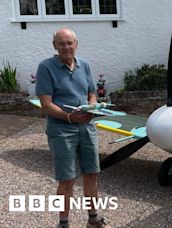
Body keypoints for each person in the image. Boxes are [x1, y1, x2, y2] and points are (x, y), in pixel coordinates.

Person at [35, 28, 111, 228]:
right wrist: (69, 117)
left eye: (70, 43)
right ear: (55, 46)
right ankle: (63, 223)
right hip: (62, 129)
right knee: (67, 179)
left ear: (76, 44)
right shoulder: (46, 67)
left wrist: (92, 107)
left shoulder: (84, 65)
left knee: (91, 174)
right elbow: (46, 104)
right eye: (62, 43)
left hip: (87, 126)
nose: (66, 47)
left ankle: (93, 219)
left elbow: (91, 93)